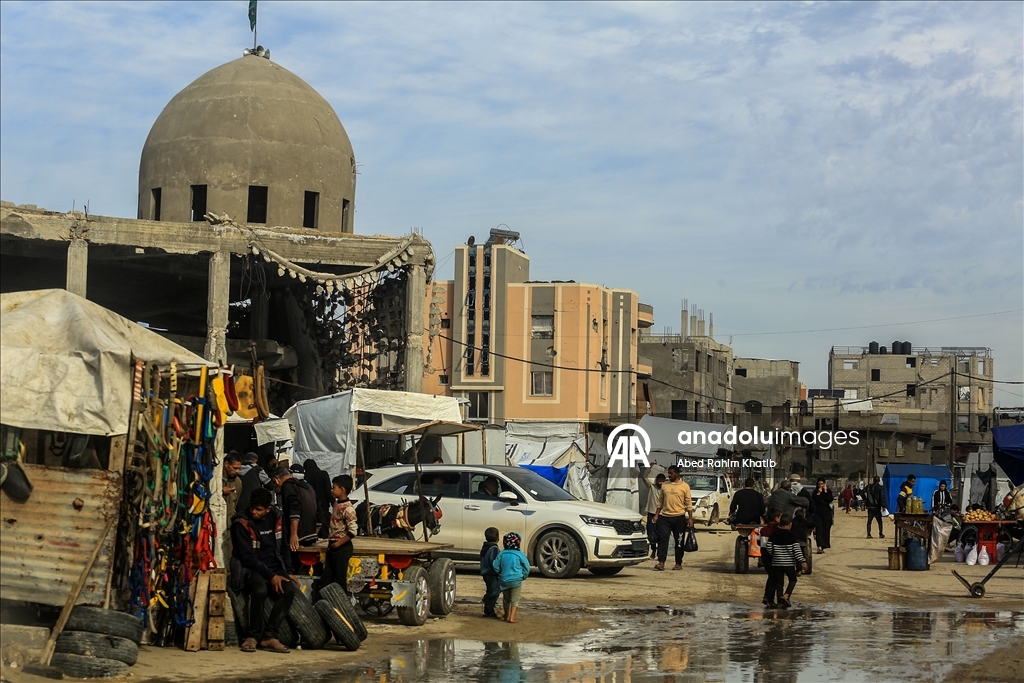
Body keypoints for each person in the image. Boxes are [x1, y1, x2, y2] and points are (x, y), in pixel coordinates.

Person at [230, 488, 300, 653]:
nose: (254, 512)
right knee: (260, 590)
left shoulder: (277, 518)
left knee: (289, 589)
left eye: (259, 509)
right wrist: (271, 576)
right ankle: (252, 636)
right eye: (252, 508)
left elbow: (283, 547)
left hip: (274, 566)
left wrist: (288, 571)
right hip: (250, 568)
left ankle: (269, 636)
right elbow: (247, 558)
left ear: (268, 509)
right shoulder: (241, 523)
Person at [271, 466, 320, 573]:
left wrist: (294, 535)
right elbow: (319, 512)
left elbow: (294, 508)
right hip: (310, 536)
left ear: (276, 480)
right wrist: (315, 532)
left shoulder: (287, 485)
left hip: (299, 537)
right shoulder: (307, 486)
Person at [319, 475, 358, 591]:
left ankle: (340, 606)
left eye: (334, 487)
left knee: (340, 580)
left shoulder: (348, 508)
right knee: (326, 578)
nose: (331, 490)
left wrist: (338, 544)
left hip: (342, 547)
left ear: (342, 489)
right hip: (333, 545)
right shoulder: (337, 504)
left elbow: (353, 531)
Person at [653, 465, 693, 571]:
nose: (669, 475)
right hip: (665, 517)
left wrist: (690, 518)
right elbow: (660, 501)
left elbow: (688, 503)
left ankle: (678, 563)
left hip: (679, 518)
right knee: (663, 539)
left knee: (679, 541)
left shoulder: (685, 486)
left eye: (671, 473)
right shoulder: (665, 485)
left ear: (677, 473)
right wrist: (657, 515)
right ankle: (661, 562)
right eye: (668, 473)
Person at [764, 514, 808, 609]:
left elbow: (768, 547)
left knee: (779, 582)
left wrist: (774, 554)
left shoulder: (774, 534)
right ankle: (786, 595)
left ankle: (780, 602)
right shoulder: (792, 536)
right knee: (793, 579)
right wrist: (802, 561)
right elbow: (797, 551)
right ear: (790, 524)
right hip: (788, 564)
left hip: (776, 563)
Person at [492, 532, 530, 624]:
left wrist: (499, 572)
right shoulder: (520, 554)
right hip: (517, 580)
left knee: (506, 599)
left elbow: (495, 565)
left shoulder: (502, 554)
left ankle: (507, 615)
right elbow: (527, 567)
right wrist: (523, 576)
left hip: (504, 580)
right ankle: (512, 618)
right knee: (515, 600)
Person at [222, 453, 243, 566]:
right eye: (235, 468)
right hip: (212, 524)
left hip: (229, 525)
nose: (237, 471)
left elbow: (236, 503)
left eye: (239, 468)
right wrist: (221, 492)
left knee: (229, 555)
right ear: (226, 464)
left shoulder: (238, 482)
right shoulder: (215, 480)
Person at [303, 459, 333, 538]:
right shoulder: (323, 474)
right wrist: (333, 503)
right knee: (324, 534)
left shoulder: (306, 476)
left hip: (310, 509)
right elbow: (328, 491)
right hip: (323, 508)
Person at [640, 468, 666, 559]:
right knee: (651, 533)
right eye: (659, 481)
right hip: (651, 513)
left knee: (661, 534)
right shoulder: (652, 486)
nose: (661, 483)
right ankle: (653, 550)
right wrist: (648, 468)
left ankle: (659, 552)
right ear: (656, 481)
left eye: (662, 481)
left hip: (662, 514)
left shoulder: (666, 490)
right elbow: (644, 477)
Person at [759, 508, 782, 606]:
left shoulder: (763, 530)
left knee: (771, 576)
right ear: (776, 518)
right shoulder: (777, 530)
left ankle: (767, 597)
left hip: (764, 556)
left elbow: (759, 542)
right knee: (774, 578)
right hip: (773, 556)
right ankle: (770, 598)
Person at [480, 527, 501, 618]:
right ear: (497, 538)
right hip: (491, 573)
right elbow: (494, 562)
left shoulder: (485, 547)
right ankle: (488, 610)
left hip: (485, 572)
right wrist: (498, 571)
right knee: (494, 592)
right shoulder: (494, 549)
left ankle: (488, 602)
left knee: (491, 590)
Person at [811, 478, 834, 554]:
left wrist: (826, 491)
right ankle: (819, 546)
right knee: (819, 529)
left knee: (826, 529)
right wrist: (818, 493)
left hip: (826, 513)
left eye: (822, 484)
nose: (820, 486)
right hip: (817, 513)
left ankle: (824, 545)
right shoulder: (815, 492)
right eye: (819, 484)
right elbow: (814, 501)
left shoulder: (828, 492)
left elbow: (829, 499)